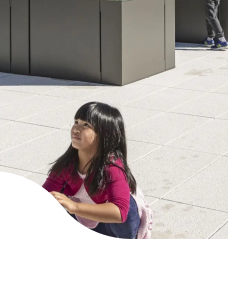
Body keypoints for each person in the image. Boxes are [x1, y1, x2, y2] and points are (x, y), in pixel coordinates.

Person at [44, 102, 152, 239]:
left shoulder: (112, 166)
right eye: (76, 122)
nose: (76, 129)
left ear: (104, 134)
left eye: (86, 125)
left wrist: (74, 206)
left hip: (118, 226)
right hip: (85, 217)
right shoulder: (67, 164)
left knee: (128, 206)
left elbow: (120, 213)